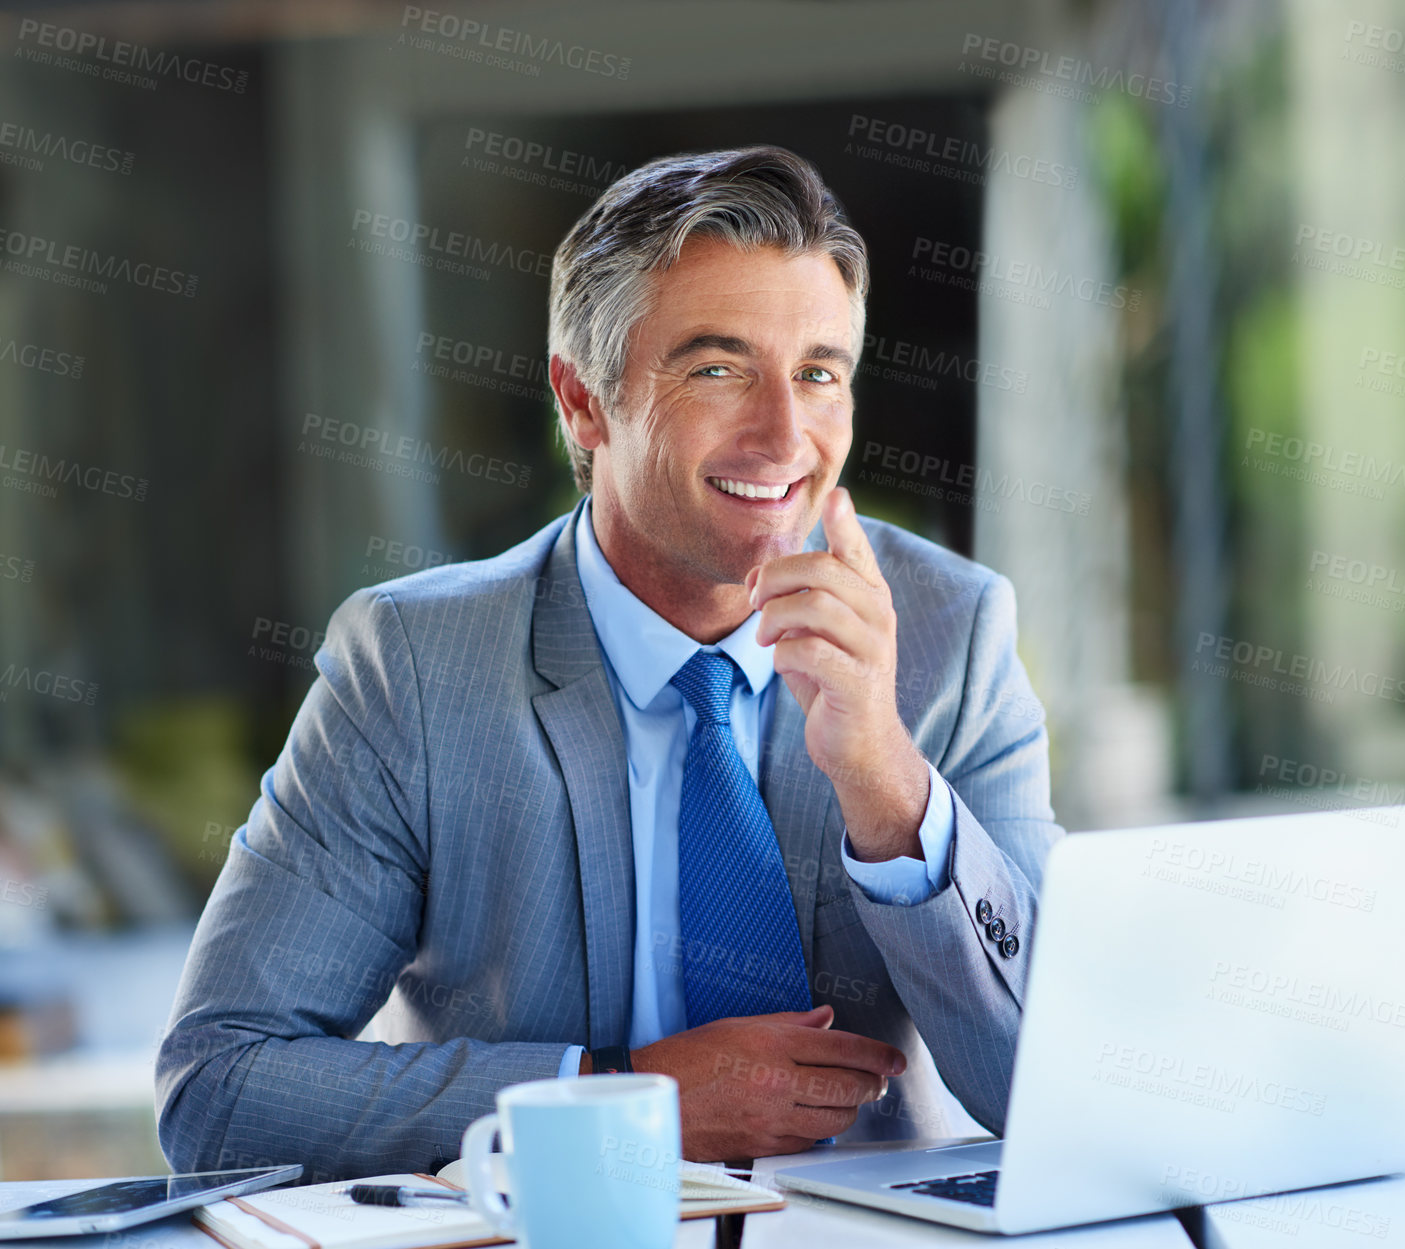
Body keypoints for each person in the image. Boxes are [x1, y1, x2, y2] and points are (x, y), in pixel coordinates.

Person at [156, 145, 1062, 1180]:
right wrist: (631, 1096)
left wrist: (884, 775)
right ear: (583, 403)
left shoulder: (953, 633)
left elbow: (1054, 1091)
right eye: (717, 367)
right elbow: (218, 1088)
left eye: (818, 373)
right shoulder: (412, 669)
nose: (783, 435)